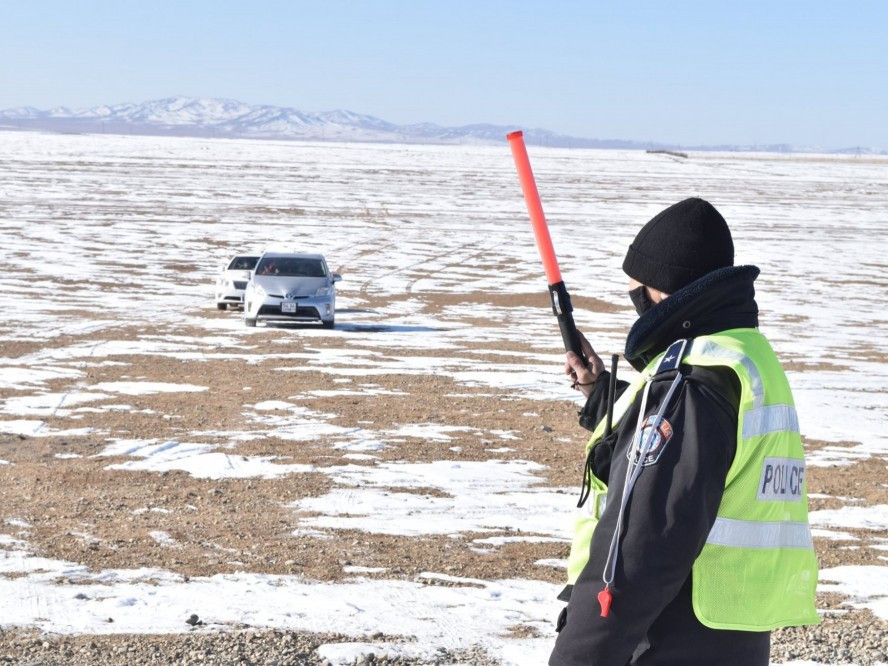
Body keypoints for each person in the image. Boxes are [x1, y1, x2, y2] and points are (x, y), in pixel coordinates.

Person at [549, 198, 819, 666]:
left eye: (637, 289)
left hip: (668, 635)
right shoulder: (744, 356)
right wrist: (602, 394)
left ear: (663, 289)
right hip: (728, 636)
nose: (634, 299)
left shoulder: (693, 379)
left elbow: (639, 548)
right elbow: (690, 455)